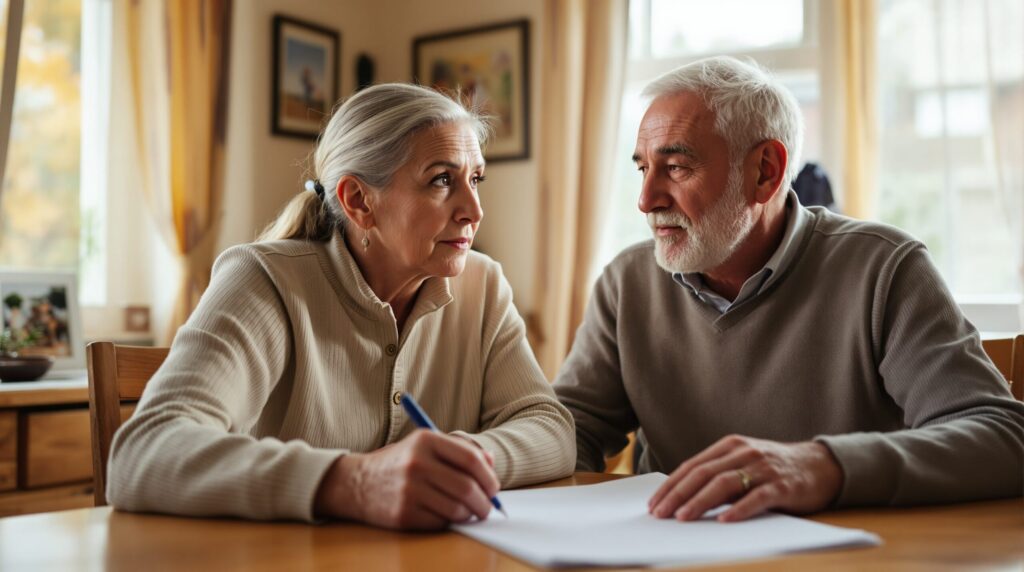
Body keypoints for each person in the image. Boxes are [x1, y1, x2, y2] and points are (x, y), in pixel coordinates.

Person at [554, 56, 1024, 524]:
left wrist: (826, 466)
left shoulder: (884, 269)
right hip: (670, 549)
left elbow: (1004, 438)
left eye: (675, 167)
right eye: (643, 169)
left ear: (766, 171)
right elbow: (567, 434)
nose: (646, 200)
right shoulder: (626, 282)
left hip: (847, 554)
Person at [107, 83, 575, 529]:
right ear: (359, 201)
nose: (474, 209)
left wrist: (455, 461)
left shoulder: (484, 285)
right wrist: (357, 481)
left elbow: (551, 428)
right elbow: (144, 452)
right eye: (441, 180)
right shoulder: (263, 280)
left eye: (475, 179)